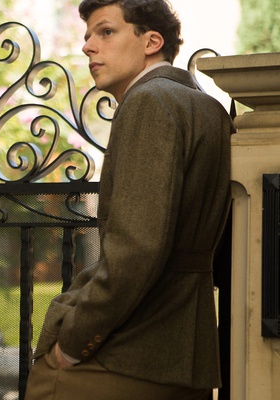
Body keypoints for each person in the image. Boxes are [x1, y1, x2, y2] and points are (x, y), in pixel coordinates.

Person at [24, 1, 233, 399]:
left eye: (106, 32)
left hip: (127, 354)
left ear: (151, 42)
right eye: (87, 35)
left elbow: (137, 249)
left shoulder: (149, 101)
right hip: (188, 358)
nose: (88, 46)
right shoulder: (208, 108)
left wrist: (73, 343)